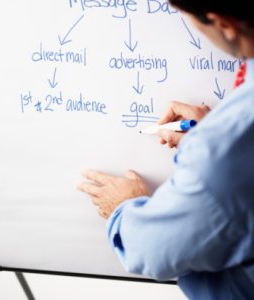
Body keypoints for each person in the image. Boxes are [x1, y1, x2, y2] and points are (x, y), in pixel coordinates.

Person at [78, 0, 254, 298]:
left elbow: (152, 250)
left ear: (223, 22)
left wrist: (123, 208)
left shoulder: (224, 149)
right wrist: (223, 132)